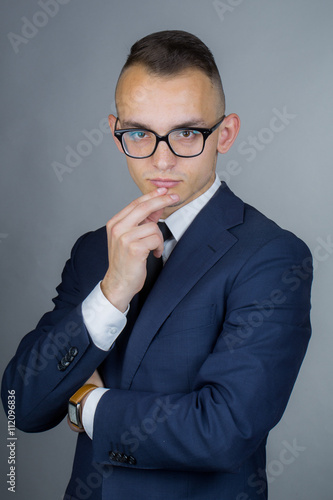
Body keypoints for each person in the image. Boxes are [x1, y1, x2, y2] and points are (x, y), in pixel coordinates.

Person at [1, 30, 313, 500]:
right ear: (115, 131)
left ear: (224, 134)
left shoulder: (272, 256)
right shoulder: (94, 251)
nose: (162, 160)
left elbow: (222, 431)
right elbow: (20, 406)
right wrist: (111, 292)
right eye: (140, 133)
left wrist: (87, 405)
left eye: (187, 132)